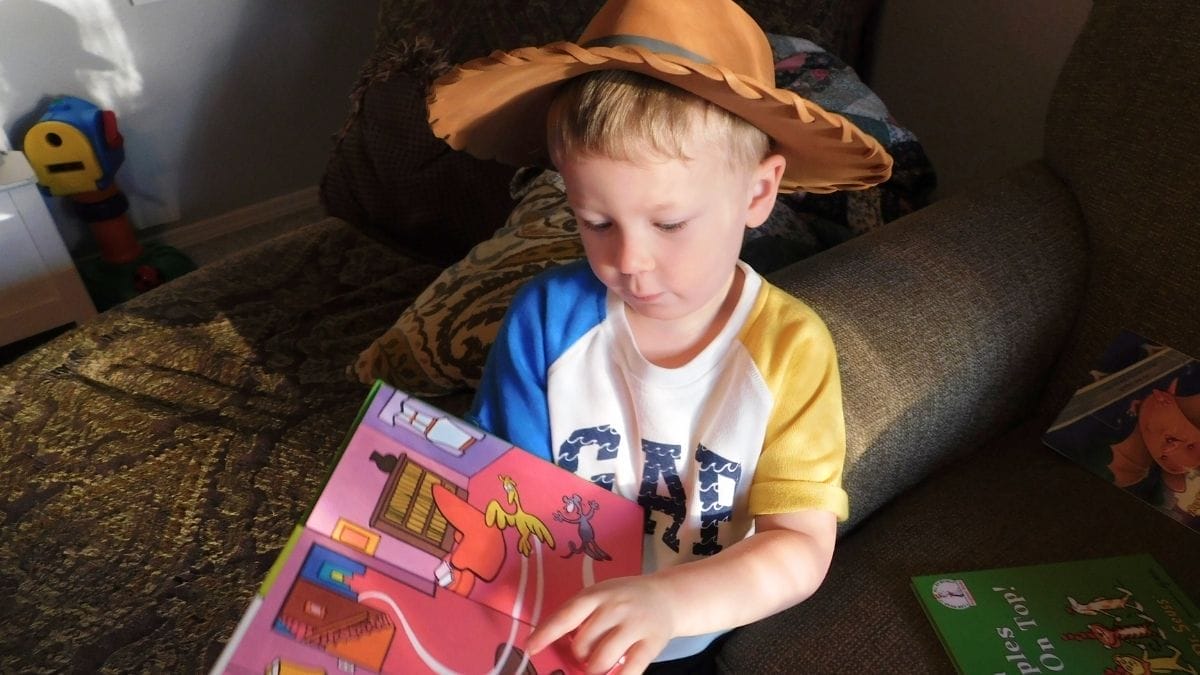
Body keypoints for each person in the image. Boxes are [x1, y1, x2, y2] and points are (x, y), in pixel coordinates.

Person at [427, 0, 893, 672]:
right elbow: (503, 493)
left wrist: (667, 605)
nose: (629, 261)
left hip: (693, 627)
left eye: (669, 224)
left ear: (759, 193)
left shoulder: (792, 348)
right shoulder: (547, 319)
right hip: (543, 620)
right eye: (595, 220)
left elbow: (799, 546)